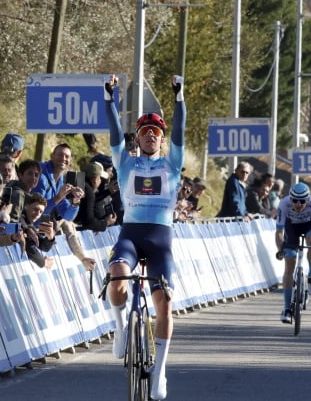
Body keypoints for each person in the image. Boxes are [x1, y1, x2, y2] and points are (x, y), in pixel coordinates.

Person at [103, 74, 184, 401]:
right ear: (136, 138)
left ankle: (160, 371)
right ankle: (121, 328)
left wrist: (179, 98)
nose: (151, 136)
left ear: (161, 140)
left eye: (156, 133)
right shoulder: (125, 161)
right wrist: (111, 97)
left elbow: (180, 131)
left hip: (161, 240)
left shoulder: (172, 163)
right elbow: (111, 129)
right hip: (131, 236)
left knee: (164, 303)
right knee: (117, 275)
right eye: (145, 132)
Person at [275, 182, 311, 323]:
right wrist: (280, 250)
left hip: (310, 226)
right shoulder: (284, 204)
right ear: (290, 199)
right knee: (289, 261)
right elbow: (279, 232)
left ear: (307, 200)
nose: (298, 204)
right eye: (294, 200)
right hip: (292, 228)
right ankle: (286, 309)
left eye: (302, 201)